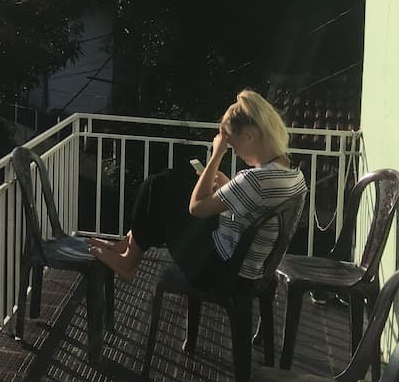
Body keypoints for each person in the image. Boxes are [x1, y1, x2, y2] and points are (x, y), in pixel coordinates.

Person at [89, 90, 307, 288]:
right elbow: (255, 207)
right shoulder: (292, 172)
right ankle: (129, 245)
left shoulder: (255, 180)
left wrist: (217, 154)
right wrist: (229, 186)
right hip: (246, 264)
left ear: (249, 136)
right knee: (170, 181)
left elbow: (197, 207)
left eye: (232, 143)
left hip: (221, 271)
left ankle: (128, 261)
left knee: (158, 188)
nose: (234, 151)